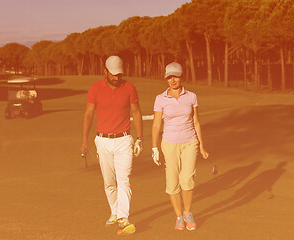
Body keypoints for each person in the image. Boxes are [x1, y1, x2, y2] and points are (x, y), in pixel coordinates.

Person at [80, 56, 143, 235]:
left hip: (124, 140)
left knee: (124, 180)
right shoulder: (95, 88)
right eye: (114, 75)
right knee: (109, 182)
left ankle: (123, 218)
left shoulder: (129, 87)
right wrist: (84, 140)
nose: (117, 78)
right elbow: (88, 115)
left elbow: (137, 113)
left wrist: (140, 138)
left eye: (120, 74)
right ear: (105, 71)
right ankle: (114, 212)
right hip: (103, 141)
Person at [151, 62, 209, 231]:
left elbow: (196, 122)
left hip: (190, 142)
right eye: (169, 77)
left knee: (187, 178)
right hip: (169, 143)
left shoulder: (191, 96)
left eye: (175, 76)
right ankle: (178, 217)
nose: (172, 80)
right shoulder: (160, 98)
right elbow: (156, 125)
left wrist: (202, 146)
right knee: (172, 182)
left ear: (181, 76)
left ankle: (188, 213)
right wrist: (154, 147)